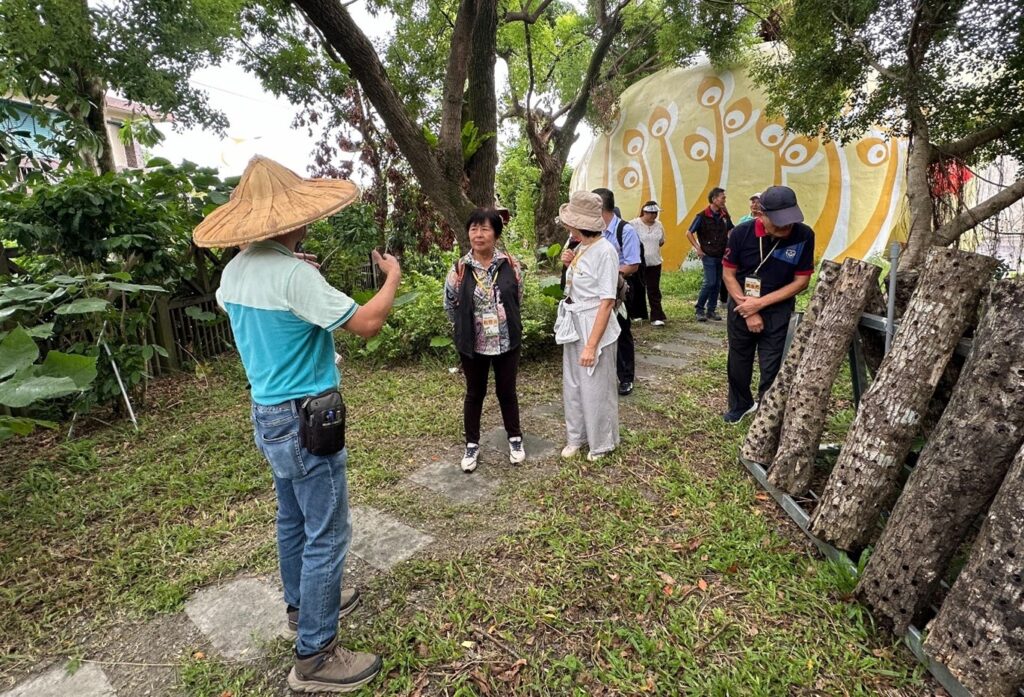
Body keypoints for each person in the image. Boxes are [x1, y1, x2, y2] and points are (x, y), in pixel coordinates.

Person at [194, 156, 401, 693]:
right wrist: (393, 276)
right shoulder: (293, 276)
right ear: (293, 218)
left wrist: (288, 268)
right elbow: (369, 325)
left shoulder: (234, 271)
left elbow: (256, 303)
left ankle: (301, 604)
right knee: (328, 533)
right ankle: (315, 655)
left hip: (268, 414)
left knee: (292, 519)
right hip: (309, 417)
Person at [721, 185, 814, 424]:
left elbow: (801, 280)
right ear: (761, 214)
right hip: (741, 305)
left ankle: (767, 409)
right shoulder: (741, 233)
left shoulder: (804, 235)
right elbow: (729, 275)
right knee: (739, 359)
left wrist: (760, 304)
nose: (786, 226)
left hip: (777, 307)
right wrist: (748, 309)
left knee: (772, 362)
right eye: (779, 221)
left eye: (790, 220)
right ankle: (740, 404)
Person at [443, 209, 526, 473]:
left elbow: (517, 296)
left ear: (496, 234)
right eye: (474, 229)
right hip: (474, 344)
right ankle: (471, 444)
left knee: (507, 392)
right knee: (474, 394)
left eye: (485, 229)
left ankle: (514, 439)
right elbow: (449, 305)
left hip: (506, 340)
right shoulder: (459, 269)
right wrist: (467, 328)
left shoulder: (510, 264)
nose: (478, 235)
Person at [555, 191, 621, 461]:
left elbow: (607, 301)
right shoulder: (581, 246)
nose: (567, 226)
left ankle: (602, 442)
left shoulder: (605, 251)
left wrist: (592, 345)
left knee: (596, 386)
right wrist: (569, 264)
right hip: (574, 318)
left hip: (594, 321)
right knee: (573, 383)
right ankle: (576, 436)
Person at [580, 187, 641, 396]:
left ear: (599, 207)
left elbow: (633, 264)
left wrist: (608, 272)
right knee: (600, 330)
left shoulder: (625, 230)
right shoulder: (591, 231)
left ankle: (626, 377)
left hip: (619, 289)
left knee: (622, 332)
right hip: (594, 292)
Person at [687, 187, 733, 322]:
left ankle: (711, 310)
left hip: (722, 254)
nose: (725, 200)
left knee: (717, 283)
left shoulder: (724, 215)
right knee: (710, 282)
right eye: (722, 197)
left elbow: (731, 229)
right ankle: (699, 309)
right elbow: (689, 232)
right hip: (708, 254)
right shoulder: (701, 216)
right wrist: (697, 248)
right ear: (714, 199)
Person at [630, 201, 667, 326]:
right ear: (644, 212)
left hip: (654, 262)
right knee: (638, 288)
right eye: (650, 213)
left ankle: (657, 315)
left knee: (654, 289)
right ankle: (637, 314)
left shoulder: (659, 225)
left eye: (655, 213)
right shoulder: (633, 224)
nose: (653, 216)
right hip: (639, 262)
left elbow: (661, 241)